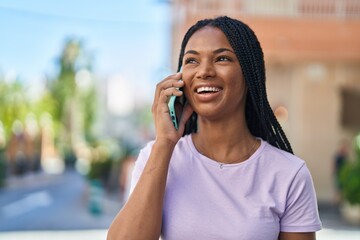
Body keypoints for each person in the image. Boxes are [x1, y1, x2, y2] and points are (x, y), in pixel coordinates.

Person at [107, 16, 322, 240]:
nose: (204, 71)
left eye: (222, 58)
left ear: (249, 73)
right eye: (192, 61)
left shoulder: (289, 174)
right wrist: (164, 144)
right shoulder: (157, 157)